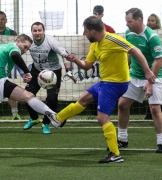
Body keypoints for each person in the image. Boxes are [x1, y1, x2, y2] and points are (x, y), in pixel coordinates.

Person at [48, 16, 156, 163]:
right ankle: (59, 118)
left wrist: (148, 72)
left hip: (115, 84)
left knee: (102, 117)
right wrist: (75, 60)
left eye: (85, 31)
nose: (84, 34)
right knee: (83, 99)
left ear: (93, 31)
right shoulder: (95, 44)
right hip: (105, 82)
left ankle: (115, 154)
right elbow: (87, 65)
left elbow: (136, 51)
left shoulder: (113, 40)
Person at [117, 8, 162, 153]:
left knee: (155, 109)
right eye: (126, 21)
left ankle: (161, 142)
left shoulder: (152, 37)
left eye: (129, 21)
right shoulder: (128, 33)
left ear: (139, 20)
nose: (127, 24)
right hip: (135, 76)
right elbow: (129, 54)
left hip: (155, 76)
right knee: (122, 105)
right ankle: (122, 140)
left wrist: (150, 82)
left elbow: (158, 60)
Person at [22, 22, 72, 134]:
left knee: (52, 98)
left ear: (44, 31)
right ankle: (34, 118)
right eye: (35, 31)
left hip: (52, 72)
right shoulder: (29, 41)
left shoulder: (51, 41)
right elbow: (17, 51)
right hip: (36, 71)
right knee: (26, 94)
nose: (37, 33)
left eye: (40, 30)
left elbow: (65, 55)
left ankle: (46, 123)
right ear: (32, 32)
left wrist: (69, 71)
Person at [0, 11, 20, 120]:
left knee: (9, 88)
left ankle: (15, 114)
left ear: (6, 20)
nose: (0, 21)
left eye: (2, 19)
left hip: (8, 65)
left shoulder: (12, 33)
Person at [85, 5, 116, 119]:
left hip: (107, 63)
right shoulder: (87, 29)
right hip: (92, 60)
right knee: (92, 85)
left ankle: (105, 112)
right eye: (95, 13)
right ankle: (94, 112)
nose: (97, 15)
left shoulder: (109, 29)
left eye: (99, 13)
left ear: (102, 14)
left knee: (106, 87)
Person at [144, 13, 162, 120]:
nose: (150, 22)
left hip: (159, 65)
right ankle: (149, 114)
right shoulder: (145, 34)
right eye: (149, 20)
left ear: (157, 23)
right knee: (151, 91)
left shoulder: (158, 36)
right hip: (151, 65)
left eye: (152, 20)